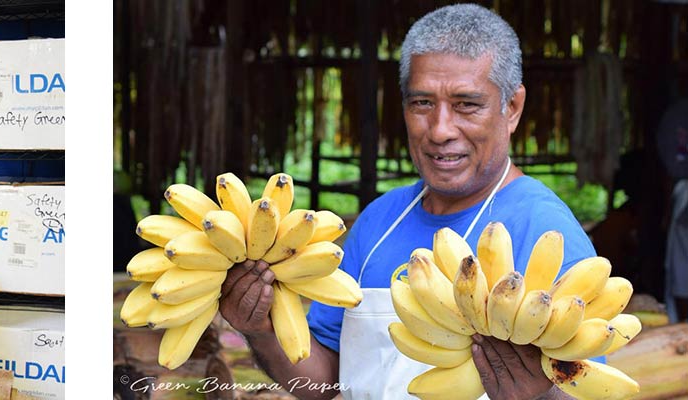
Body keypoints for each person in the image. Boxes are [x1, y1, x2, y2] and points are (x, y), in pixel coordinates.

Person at [220, 4, 596, 399]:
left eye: (466, 104)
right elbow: (329, 382)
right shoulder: (380, 220)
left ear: (512, 108)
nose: (440, 130)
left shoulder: (547, 233)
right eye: (422, 104)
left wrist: (541, 394)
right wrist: (259, 329)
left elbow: (585, 388)